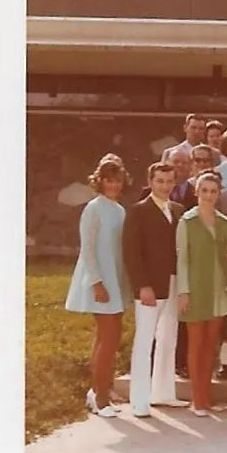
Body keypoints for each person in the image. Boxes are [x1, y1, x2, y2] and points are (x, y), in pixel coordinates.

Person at [66, 157, 130, 418]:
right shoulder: (93, 208)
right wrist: (97, 283)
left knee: (107, 339)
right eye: (108, 180)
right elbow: (88, 248)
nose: (113, 185)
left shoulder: (119, 210)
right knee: (109, 338)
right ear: (100, 181)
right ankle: (101, 399)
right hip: (100, 280)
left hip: (115, 277)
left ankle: (97, 392)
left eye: (117, 180)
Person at [121, 162, 187, 416]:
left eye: (169, 181)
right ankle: (139, 399)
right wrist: (142, 285)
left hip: (173, 281)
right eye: (159, 181)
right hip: (150, 285)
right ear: (150, 181)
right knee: (144, 340)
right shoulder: (138, 211)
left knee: (169, 338)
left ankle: (164, 392)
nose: (165, 186)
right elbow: (131, 252)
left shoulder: (179, 210)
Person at [176, 171, 227, 417]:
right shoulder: (186, 222)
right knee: (196, 344)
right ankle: (196, 400)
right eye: (204, 190)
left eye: (213, 191)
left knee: (211, 345)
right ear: (196, 192)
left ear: (218, 194)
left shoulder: (224, 223)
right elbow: (182, 260)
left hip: (218, 290)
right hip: (196, 288)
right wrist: (183, 291)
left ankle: (207, 398)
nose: (209, 195)